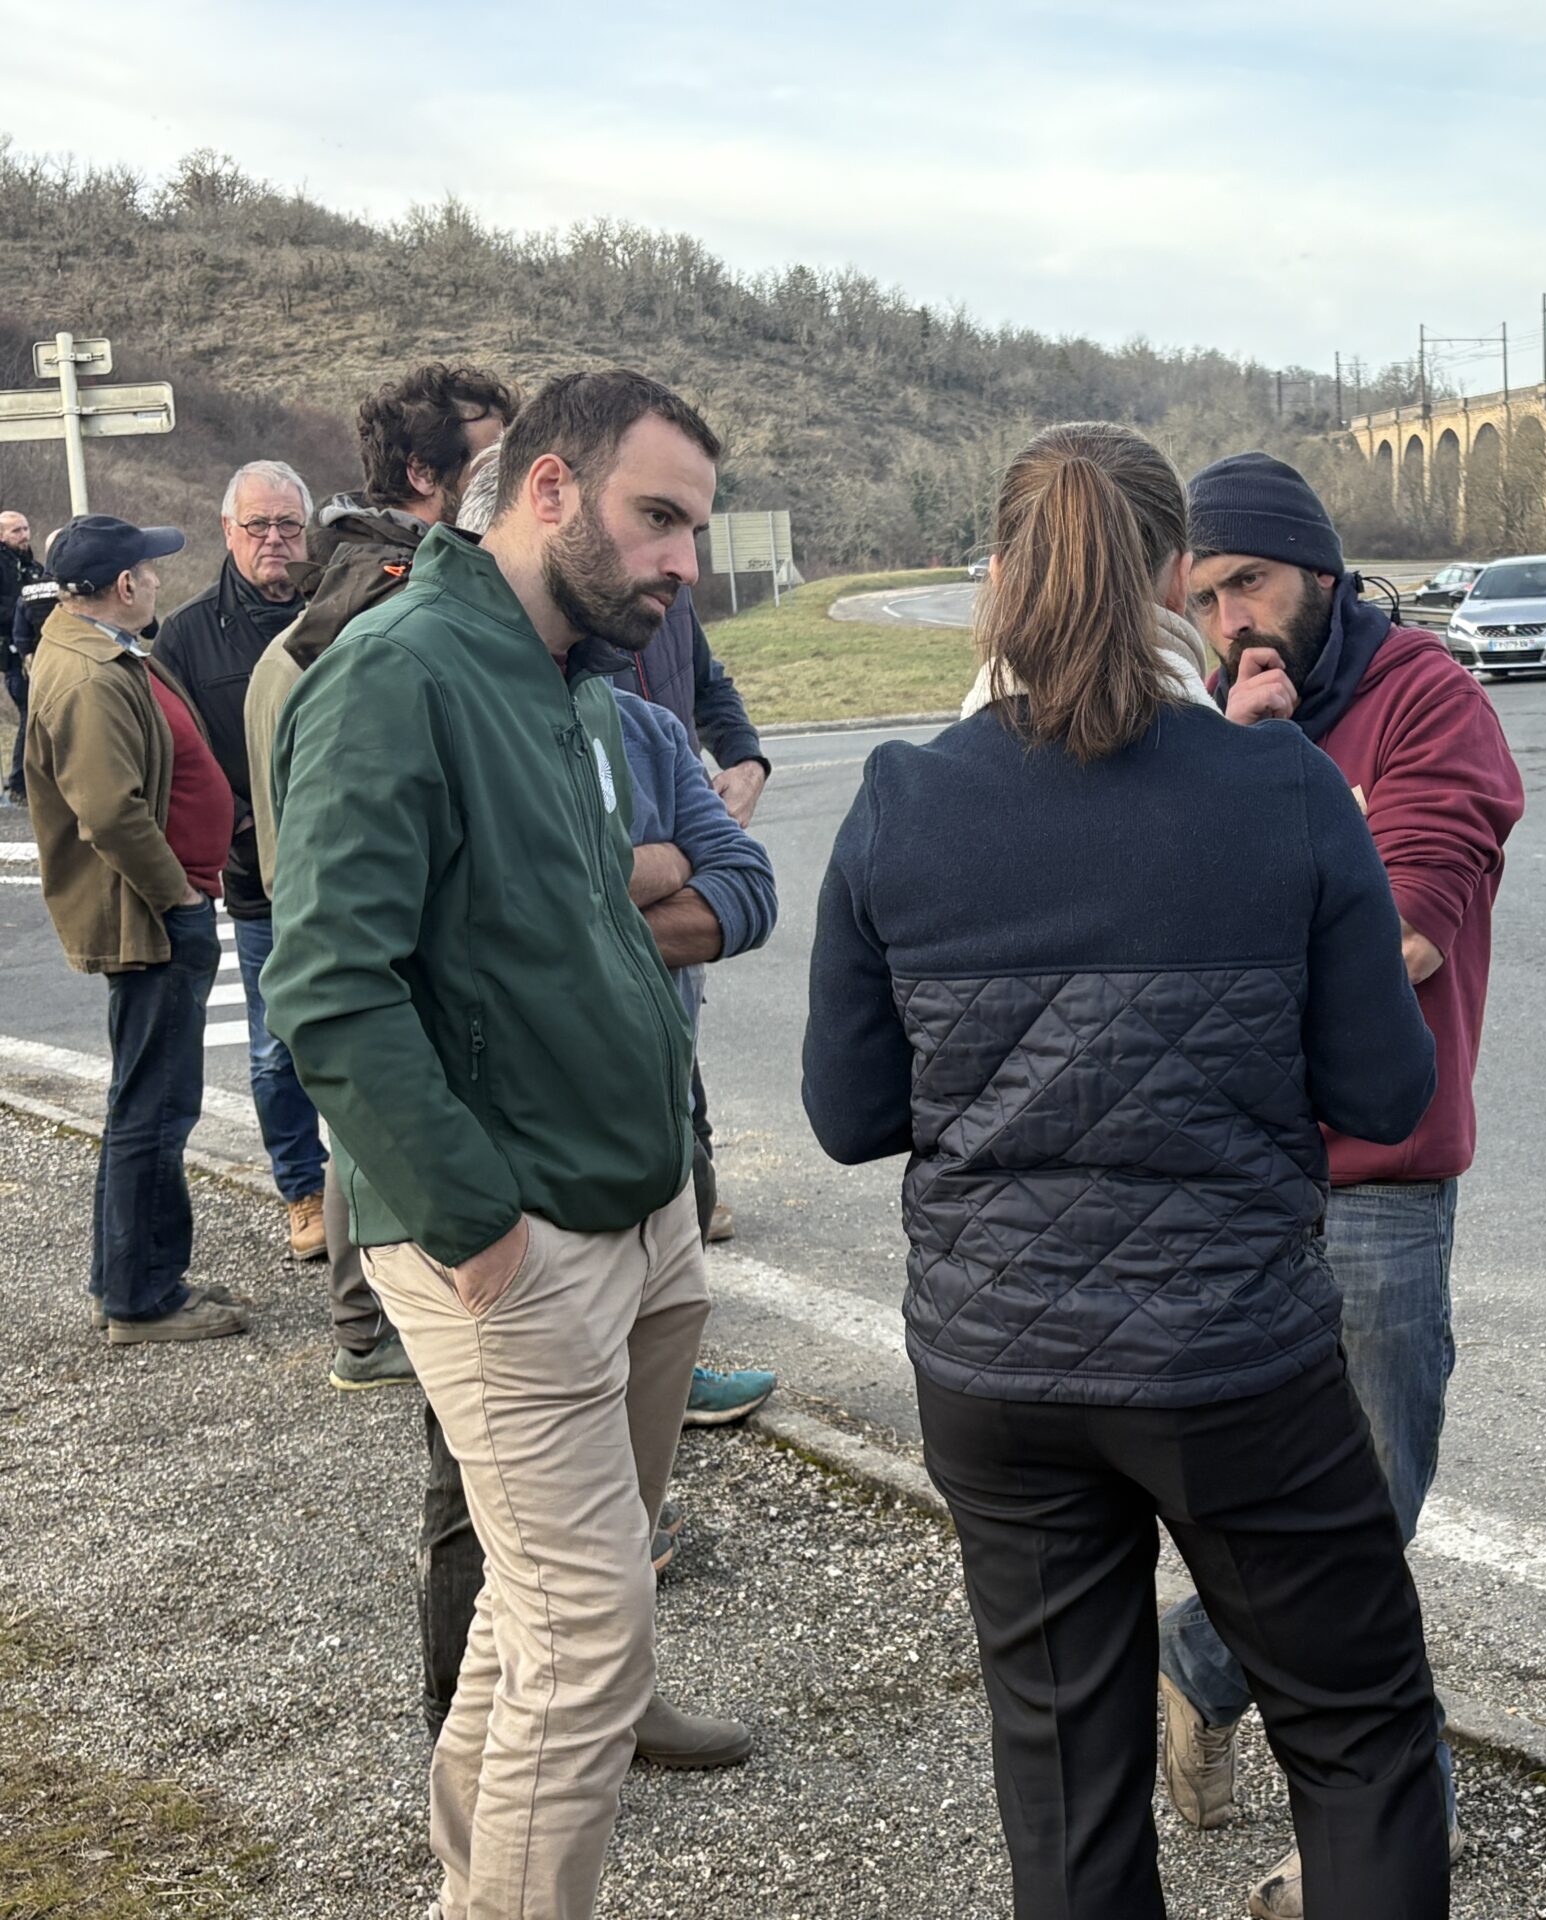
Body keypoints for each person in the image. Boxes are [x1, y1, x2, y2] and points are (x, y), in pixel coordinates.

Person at [805, 421, 1450, 1920]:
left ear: (998, 578)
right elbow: (1382, 1088)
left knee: (1064, 1769)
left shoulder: (903, 796)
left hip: (996, 1370)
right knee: (1357, 1734)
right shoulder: (1279, 788)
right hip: (1232, 1356)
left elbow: (847, 1111)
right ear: (1175, 576)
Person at [264, 369, 743, 1917]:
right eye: (656, 517)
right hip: (514, 1241)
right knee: (594, 1628)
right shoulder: (399, 670)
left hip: (642, 1216)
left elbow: (593, 924)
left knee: (540, 1619)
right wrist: (476, 1225)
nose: (683, 563)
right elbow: (330, 987)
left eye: (694, 528)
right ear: (547, 489)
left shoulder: (575, 685)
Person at [1161, 450, 1523, 1917]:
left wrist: (1269, 777)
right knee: (1267, 1496)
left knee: (1368, 1499)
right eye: (1203, 596)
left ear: (1317, 570)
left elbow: (1406, 939)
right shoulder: (1195, 714)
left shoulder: (1423, 701)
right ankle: (1384, 1819)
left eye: (1249, 582)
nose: (1230, 617)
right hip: (1231, 1171)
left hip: (1376, 1178)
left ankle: (1208, 1667)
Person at [243, 363, 517, 1391]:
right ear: (422, 472)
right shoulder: (386, 627)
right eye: (493, 457)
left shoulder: (343, 601)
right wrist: (476, 1227)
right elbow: (342, 971)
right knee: (475, 1359)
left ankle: (370, 1320)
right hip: (436, 1013)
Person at [21, 515, 246, 1345]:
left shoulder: (107, 652)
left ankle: (143, 1276)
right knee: (153, 1108)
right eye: (150, 570)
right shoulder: (87, 675)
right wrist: (179, 898)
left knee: (153, 1103)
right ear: (124, 585)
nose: (159, 580)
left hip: (161, 909)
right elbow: (110, 813)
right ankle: (139, 1297)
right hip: (150, 918)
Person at [153, 461, 323, 1260]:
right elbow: (182, 766)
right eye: (258, 526)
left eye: (289, 525)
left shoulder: (345, 609)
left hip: (354, 866)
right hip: (258, 881)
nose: (276, 542)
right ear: (229, 533)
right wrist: (241, 835)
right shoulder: (187, 637)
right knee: (275, 1045)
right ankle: (304, 1189)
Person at [613, 585, 769, 1248]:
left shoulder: (665, 592)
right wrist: (680, 856)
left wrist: (747, 759)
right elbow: (564, 886)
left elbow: (706, 680)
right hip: (653, 856)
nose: (679, 561)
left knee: (679, 1032)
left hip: (680, 848)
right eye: (657, 520)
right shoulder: (569, 611)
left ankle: (689, 1181)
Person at [1, 509, 43, 804]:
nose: (24, 535)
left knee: (37, 716)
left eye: (26, 528)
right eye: (16, 530)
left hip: (37, 651)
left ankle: (28, 780)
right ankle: (19, 783)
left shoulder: (32, 566)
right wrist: (22, 608)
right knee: (31, 715)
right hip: (13, 654)